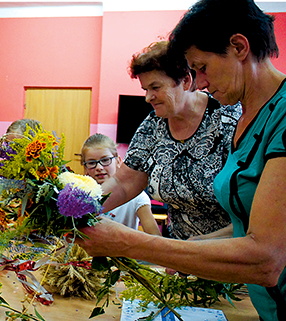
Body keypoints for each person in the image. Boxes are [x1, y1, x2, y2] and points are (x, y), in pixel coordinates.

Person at [78, 1, 286, 319]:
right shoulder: (250, 118)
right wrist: (76, 206)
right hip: (248, 294)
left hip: (243, 284)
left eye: (202, 67)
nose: (200, 80)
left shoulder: (269, 117)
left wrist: (128, 243)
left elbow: (266, 257)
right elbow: (126, 180)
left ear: (239, 47)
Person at [96, 40, 241, 240]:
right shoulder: (153, 125)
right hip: (180, 256)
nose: (148, 97)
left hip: (229, 250)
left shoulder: (228, 119)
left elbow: (252, 206)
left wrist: (198, 246)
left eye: (155, 87)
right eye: (145, 89)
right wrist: (78, 208)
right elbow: (123, 183)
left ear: (186, 81)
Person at [81, 133, 161, 236]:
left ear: (118, 161)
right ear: (85, 168)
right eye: (92, 163)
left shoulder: (137, 197)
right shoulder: (82, 197)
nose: (99, 167)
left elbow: (155, 235)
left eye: (105, 160)